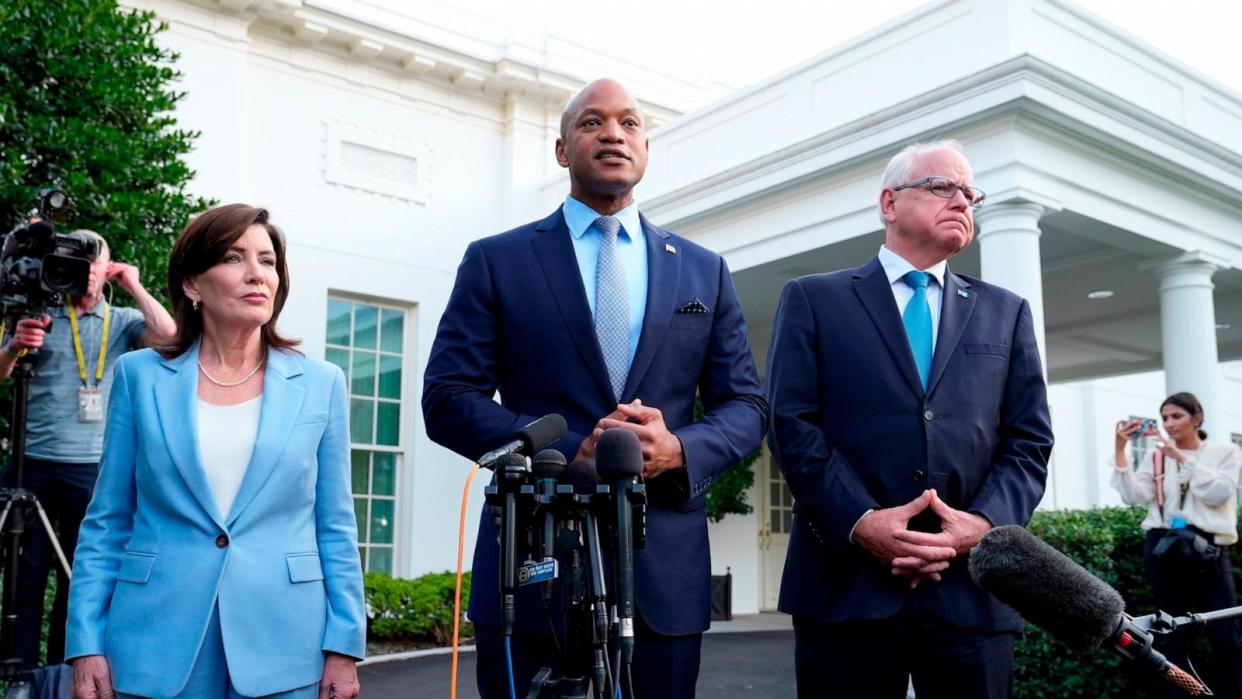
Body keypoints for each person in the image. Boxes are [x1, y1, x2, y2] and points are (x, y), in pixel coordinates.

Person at [422, 78, 768, 698]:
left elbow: (745, 405)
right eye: (592, 122)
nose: (613, 133)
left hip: (663, 574)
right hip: (532, 566)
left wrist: (680, 450)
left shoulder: (703, 270)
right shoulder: (496, 261)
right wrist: (570, 452)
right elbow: (448, 398)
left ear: (645, 148)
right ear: (562, 150)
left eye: (630, 123)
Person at [765, 139, 1054, 698]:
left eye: (971, 193)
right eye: (944, 187)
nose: (963, 202)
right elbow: (792, 425)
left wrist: (983, 527)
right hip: (845, 588)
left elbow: (1029, 441)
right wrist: (862, 522)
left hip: (971, 591)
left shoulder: (1007, 310)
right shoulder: (813, 299)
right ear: (890, 202)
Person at [65, 204, 365, 698]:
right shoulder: (139, 377)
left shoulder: (321, 383)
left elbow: (335, 525)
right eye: (233, 257)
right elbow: (108, 520)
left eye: (268, 261)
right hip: (154, 641)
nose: (257, 275)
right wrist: (85, 643)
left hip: (287, 644)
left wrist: (345, 645)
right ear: (191, 284)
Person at [0, 230, 175, 670]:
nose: (86, 272)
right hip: (32, 462)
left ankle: (65, 670)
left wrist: (134, 283)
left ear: (107, 269)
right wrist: (13, 346)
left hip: (93, 468)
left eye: (95, 263)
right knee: (26, 575)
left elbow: (171, 337)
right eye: (77, 262)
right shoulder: (37, 313)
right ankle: (20, 672)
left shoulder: (122, 320)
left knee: (81, 576)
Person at [1111, 393, 1242, 699]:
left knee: (1227, 635)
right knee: (1174, 632)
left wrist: (1182, 458)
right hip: (1164, 546)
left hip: (1209, 547)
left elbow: (1219, 493)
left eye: (1176, 416)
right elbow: (1133, 496)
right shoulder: (1155, 456)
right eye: (1165, 417)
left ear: (1197, 418)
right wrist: (1120, 449)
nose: (1169, 424)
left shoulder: (1225, 452)